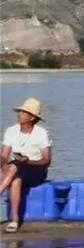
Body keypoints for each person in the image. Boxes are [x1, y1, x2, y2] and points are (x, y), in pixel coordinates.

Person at [0, 98, 52, 232]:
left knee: (16, 166)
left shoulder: (41, 133)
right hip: (15, 169)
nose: (19, 115)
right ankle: (15, 221)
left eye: (23, 113)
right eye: (20, 112)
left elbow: (47, 160)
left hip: (36, 170)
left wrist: (28, 161)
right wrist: (3, 165)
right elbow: (4, 156)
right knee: (15, 178)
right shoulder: (11, 131)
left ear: (32, 117)